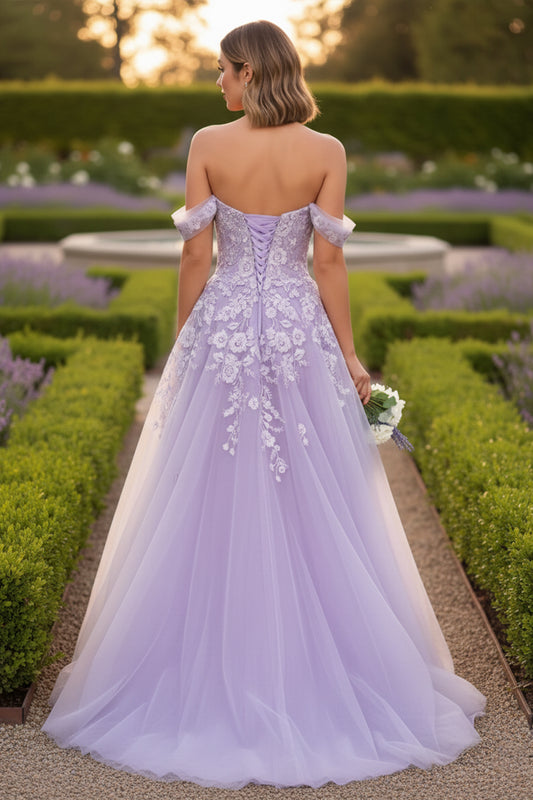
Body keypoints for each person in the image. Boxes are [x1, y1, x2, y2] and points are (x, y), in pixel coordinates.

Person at [42, 20, 485, 789]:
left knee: (204, 485)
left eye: (223, 69)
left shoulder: (208, 144)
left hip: (223, 332)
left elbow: (195, 252)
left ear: (249, 71)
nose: (217, 81)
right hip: (295, 333)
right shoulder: (326, 151)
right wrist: (349, 355)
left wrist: (186, 339)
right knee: (313, 492)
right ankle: (324, 671)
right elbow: (328, 262)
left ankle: (205, 668)